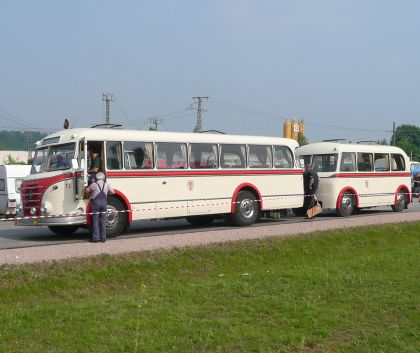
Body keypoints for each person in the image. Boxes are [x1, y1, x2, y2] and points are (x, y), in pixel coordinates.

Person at [86, 172, 115, 243]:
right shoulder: (107, 185)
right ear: (104, 178)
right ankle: (103, 238)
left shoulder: (93, 184)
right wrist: (107, 193)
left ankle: (95, 238)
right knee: (103, 221)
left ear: (96, 178)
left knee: (95, 221)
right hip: (104, 204)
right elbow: (113, 192)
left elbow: (86, 191)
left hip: (96, 204)